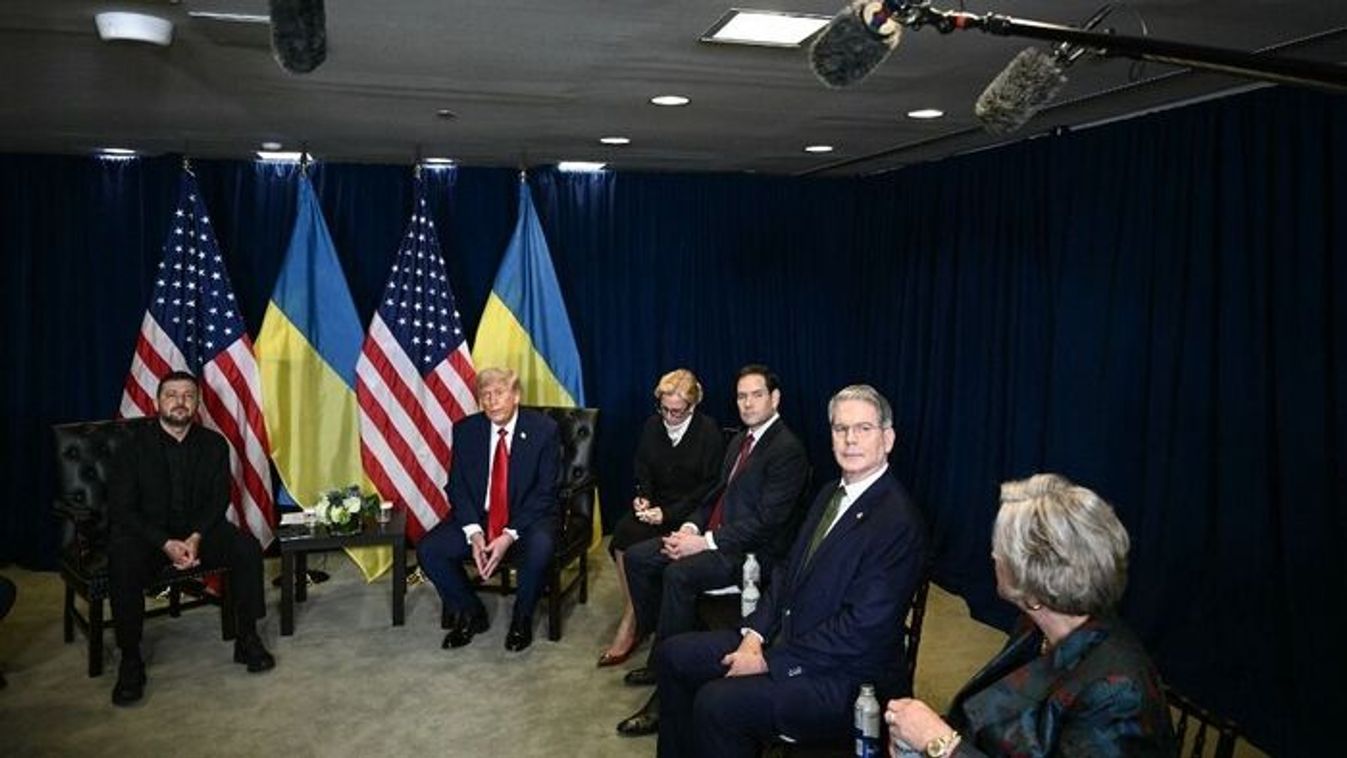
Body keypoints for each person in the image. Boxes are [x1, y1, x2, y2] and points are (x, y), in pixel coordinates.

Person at [653, 384, 928, 757]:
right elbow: (787, 571)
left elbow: (862, 629)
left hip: (845, 677)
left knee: (717, 704)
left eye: (863, 429)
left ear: (888, 439)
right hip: (786, 637)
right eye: (840, 428)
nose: (850, 439)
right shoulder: (829, 493)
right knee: (673, 656)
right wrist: (753, 635)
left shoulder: (898, 521)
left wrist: (768, 660)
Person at [885, 473, 1175, 757]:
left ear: (1035, 585)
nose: (994, 554)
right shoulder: (1036, 626)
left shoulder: (1115, 693)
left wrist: (940, 745)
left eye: (1002, 548)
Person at [618, 364, 809, 736]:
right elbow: (714, 496)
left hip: (751, 554)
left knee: (678, 574)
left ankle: (666, 695)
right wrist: (689, 528)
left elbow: (766, 524)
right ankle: (664, 654)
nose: (747, 403)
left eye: (756, 395)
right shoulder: (740, 441)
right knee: (639, 559)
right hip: (713, 537)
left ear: (775, 399)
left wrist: (703, 543)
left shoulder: (787, 450)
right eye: (741, 396)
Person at [106, 371, 273, 707]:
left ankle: (247, 637)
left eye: (188, 395)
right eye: (171, 395)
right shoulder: (130, 446)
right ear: (157, 402)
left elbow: (218, 499)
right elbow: (123, 509)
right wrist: (165, 543)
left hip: (200, 531)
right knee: (122, 560)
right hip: (148, 535)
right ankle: (131, 658)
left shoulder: (213, 444)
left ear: (197, 403)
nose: (179, 402)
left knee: (246, 548)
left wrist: (195, 537)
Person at [416, 367, 560, 652]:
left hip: (528, 518)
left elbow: (545, 492)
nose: (492, 402)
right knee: (430, 549)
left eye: (500, 393)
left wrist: (508, 535)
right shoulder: (466, 430)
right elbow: (457, 486)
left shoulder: (544, 430)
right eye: (485, 395)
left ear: (516, 396)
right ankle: (471, 612)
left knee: (540, 547)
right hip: (480, 517)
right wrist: (474, 532)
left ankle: (521, 619)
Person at [599, 368, 725, 667]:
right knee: (622, 535)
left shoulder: (709, 432)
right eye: (664, 409)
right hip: (656, 507)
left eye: (676, 411)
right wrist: (643, 496)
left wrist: (669, 513)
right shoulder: (652, 426)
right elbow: (643, 469)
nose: (669, 417)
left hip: (690, 514)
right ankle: (635, 612)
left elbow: (710, 489)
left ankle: (634, 620)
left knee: (645, 546)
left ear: (692, 406)